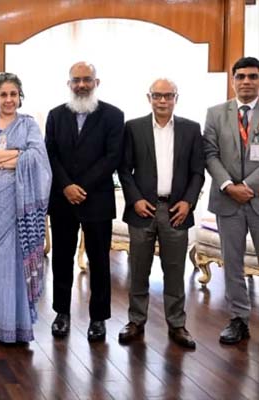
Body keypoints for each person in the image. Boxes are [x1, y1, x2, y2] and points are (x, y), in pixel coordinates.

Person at [117, 78, 204, 349]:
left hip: (177, 211)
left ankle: (177, 324)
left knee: (175, 270)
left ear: (176, 98)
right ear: (149, 98)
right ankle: (136, 320)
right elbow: (124, 169)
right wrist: (135, 200)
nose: (162, 100)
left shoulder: (191, 129)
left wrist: (188, 202)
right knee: (138, 268)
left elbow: (198, 172)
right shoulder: (133, 127)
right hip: (142, 209)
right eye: (157, 95)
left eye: (168, 95)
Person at [45, 61, 124, 342]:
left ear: (96, 83)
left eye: (87, 79)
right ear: (69, 84)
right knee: (61, 259)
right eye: (76, 80)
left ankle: (98, 318)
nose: (81, 85)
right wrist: (67, 186)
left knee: (99, 261)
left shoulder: (113, 115)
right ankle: (61, 313)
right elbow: (50, 154)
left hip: (97, 200)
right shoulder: (56, 115)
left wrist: (82, 187)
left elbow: (113, 157)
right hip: (62, 199)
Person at [0, 72, 51, 343]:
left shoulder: (29, 124)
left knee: (15, 256)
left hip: (20, 197)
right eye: (3, 94)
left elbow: (37, 158)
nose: (8, 99)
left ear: (20, 96)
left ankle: (15, 323)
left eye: (13, 94)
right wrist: (18, 154)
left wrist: (2, 160)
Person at [204, 56, 259, 345]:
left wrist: (247, 186)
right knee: (233, 263)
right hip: (227, 201)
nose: (246, 81)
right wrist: (228, 186)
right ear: (233, 80)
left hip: (257, 196)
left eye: (253, 76)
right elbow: (210, 154)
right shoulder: (215, 113)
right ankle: (238, 319)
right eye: (241, 76)